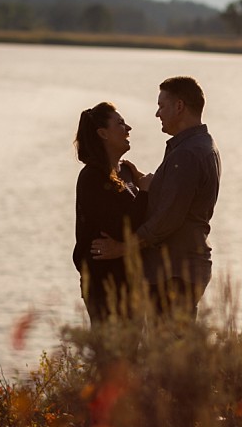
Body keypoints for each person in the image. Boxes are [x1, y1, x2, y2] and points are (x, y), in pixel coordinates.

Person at [93, 76, 221, 321]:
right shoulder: (199, 145)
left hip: (174, 273)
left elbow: (167, 219)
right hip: (182, 269)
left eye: (162, 106)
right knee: (171, 351)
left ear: (179, 107)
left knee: (168, 353)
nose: (157, 113)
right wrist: (144, 181)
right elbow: (178, 198)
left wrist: (123, 248)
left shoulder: (187, 154)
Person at [73, 102, 149, 326]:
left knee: (131, 356)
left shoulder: (125, 171)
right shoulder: (92, 178)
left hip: (131, 282)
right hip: (105, 286)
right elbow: (121, 228)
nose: (129, 129)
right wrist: (144, 192)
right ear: (103, 133)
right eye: (121, 123)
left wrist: (140, 182)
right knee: (113, 355)